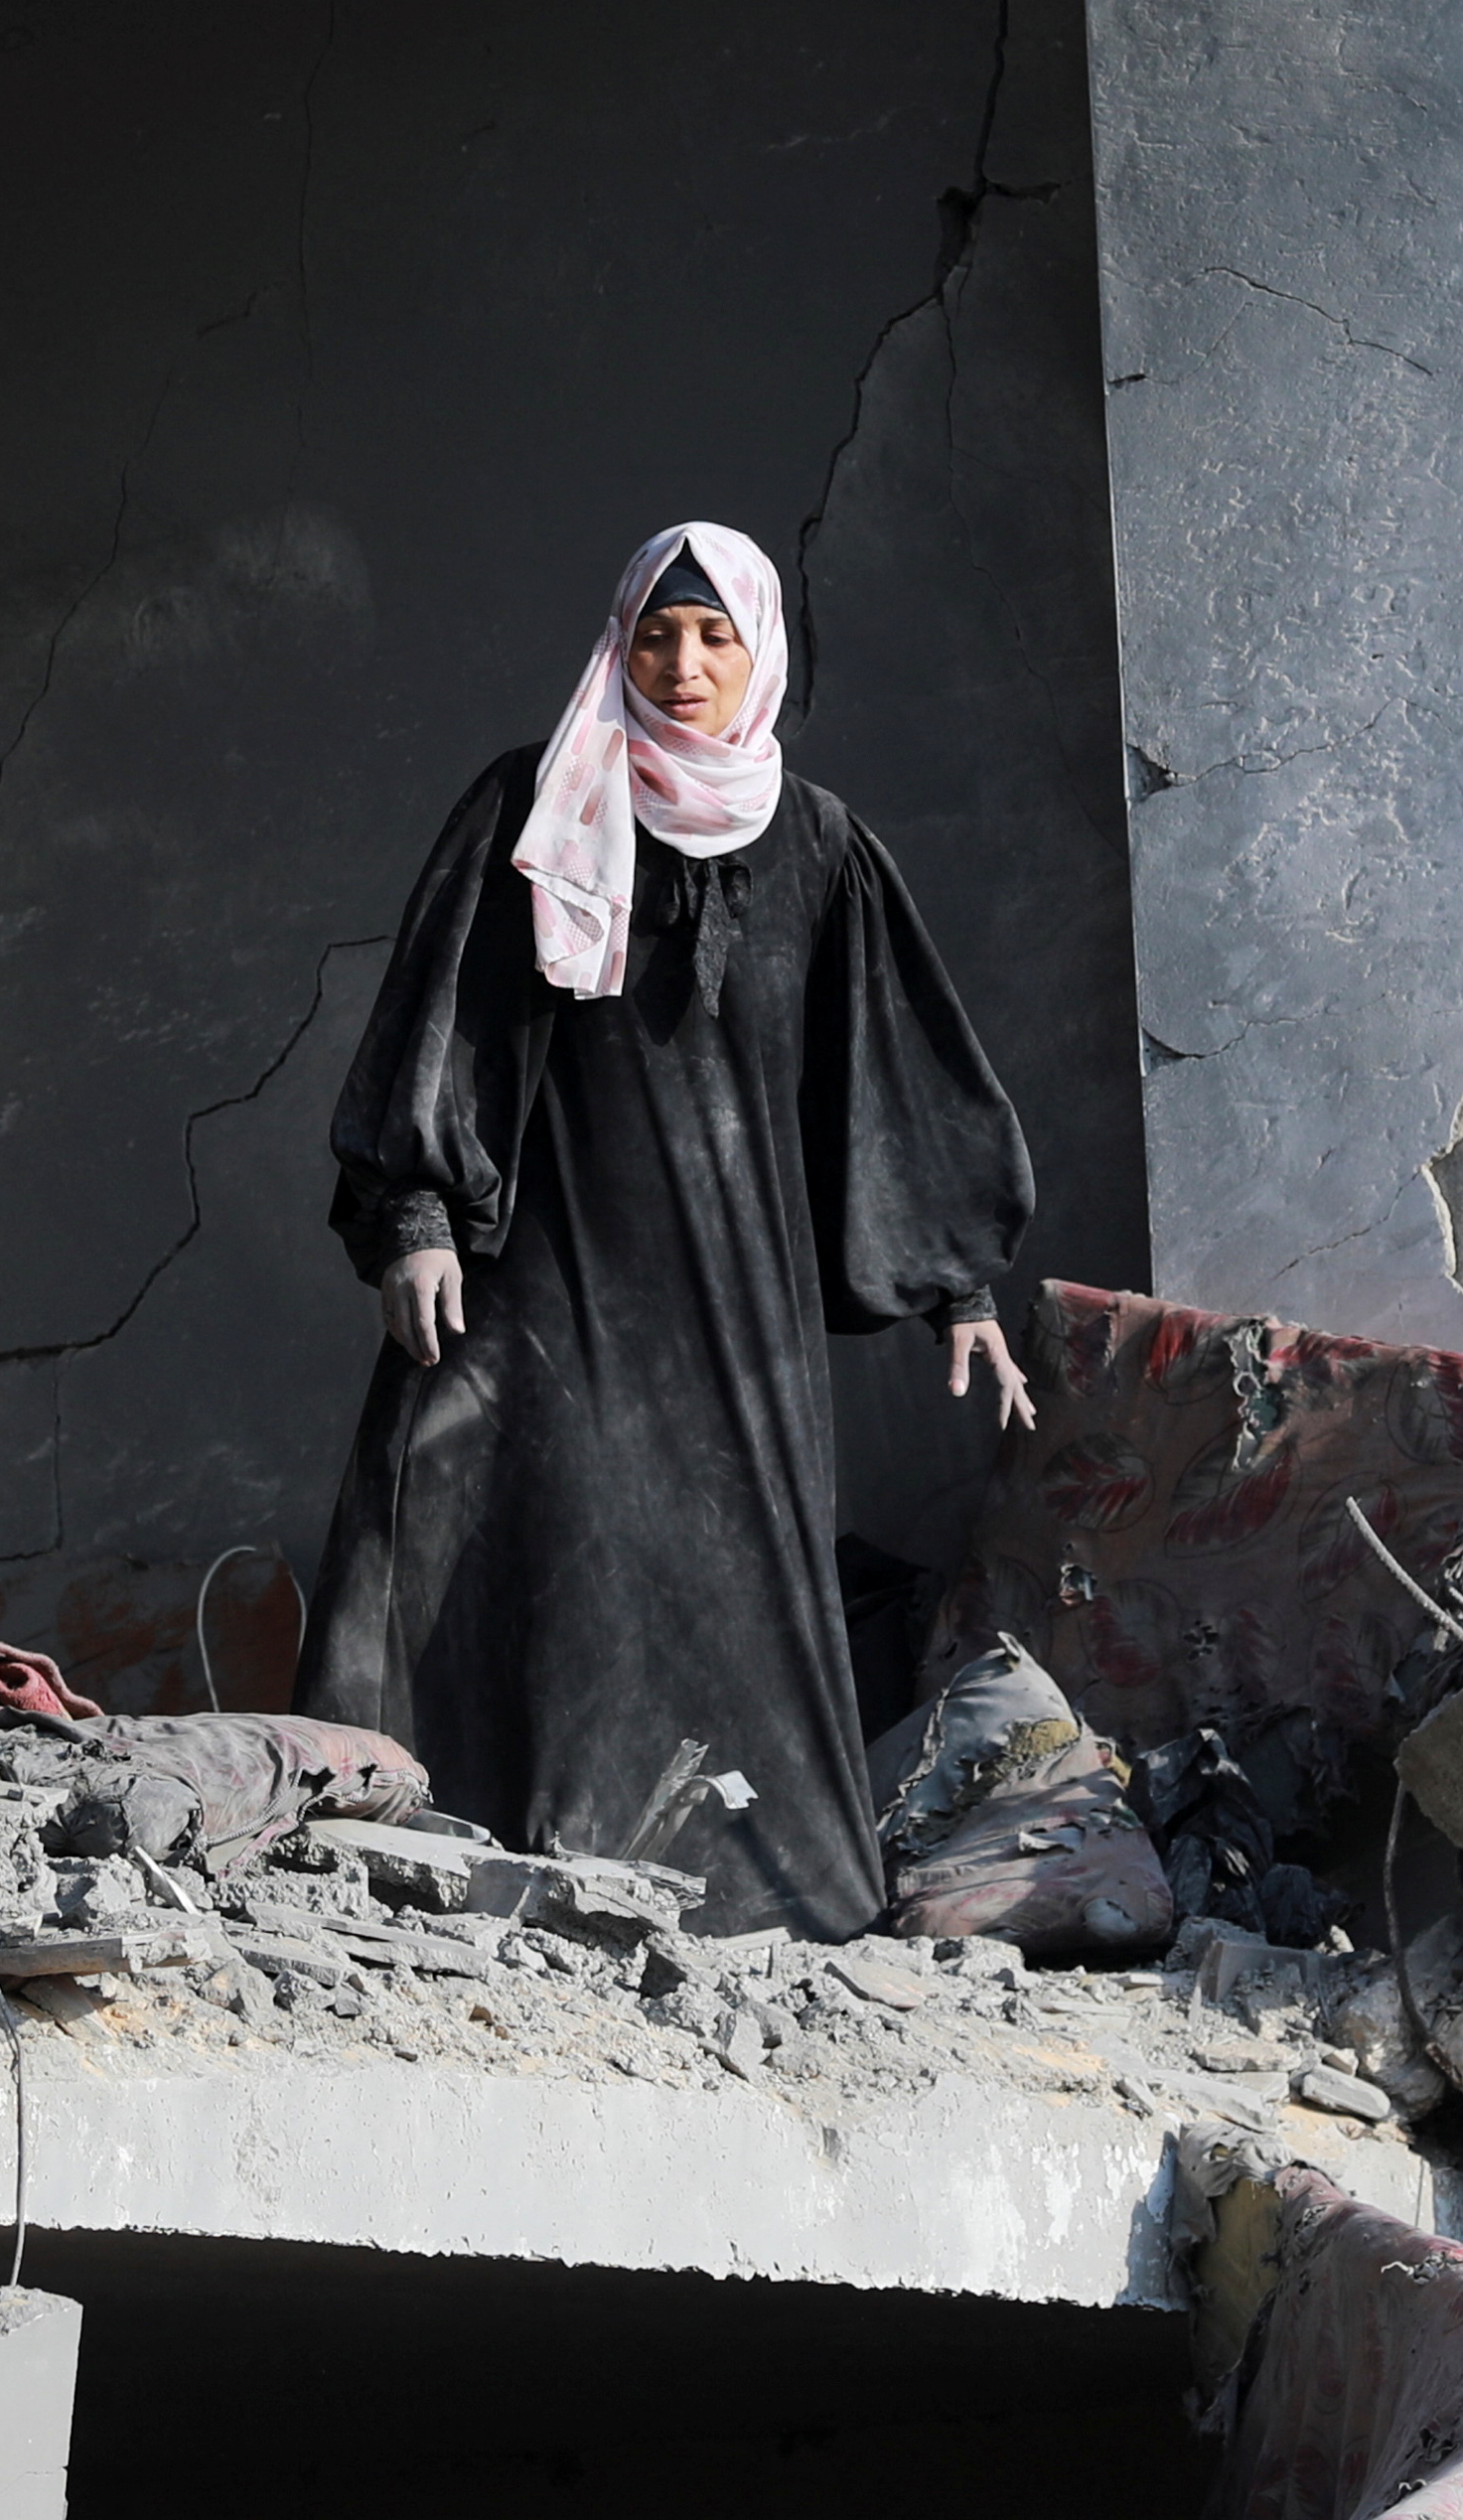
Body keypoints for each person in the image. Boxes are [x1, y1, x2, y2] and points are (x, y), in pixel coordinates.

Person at [298, 519, 1036, 1936]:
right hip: (542, 1278)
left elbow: (887, 1077)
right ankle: (448, 1867)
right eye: (655, 634)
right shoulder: (538, 807)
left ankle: (752, 1903)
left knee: (723, 1580)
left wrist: (962, 1289)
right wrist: (416, 1212)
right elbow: (442, 1018)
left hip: (729, 1313)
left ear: (761, 654)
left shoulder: (821, 848)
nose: (683, 664)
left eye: (715, 637)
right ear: (616, 644)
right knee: (503, 1549)